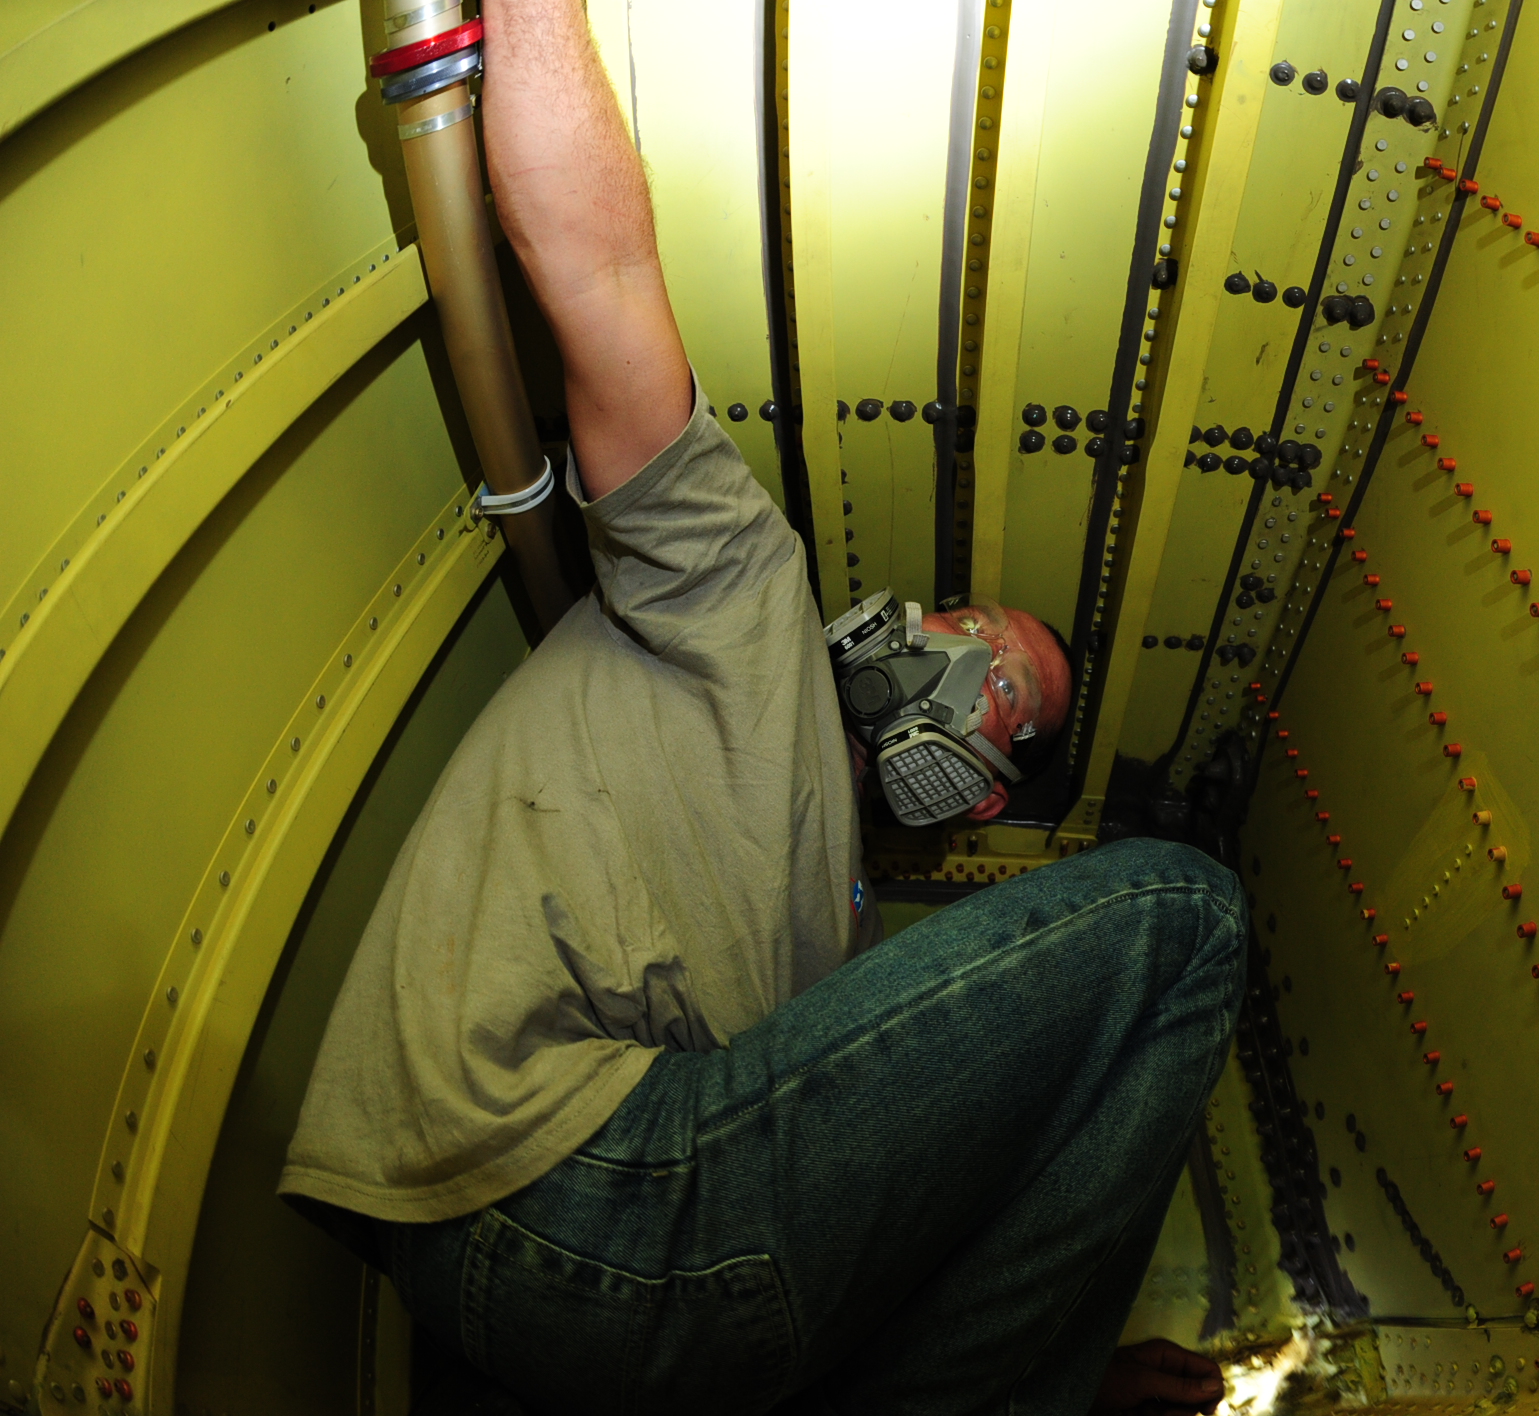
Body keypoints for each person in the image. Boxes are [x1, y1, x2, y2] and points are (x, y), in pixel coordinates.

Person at [278, 4, 1244, 1413]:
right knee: (1186, 924)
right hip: (552, 1160)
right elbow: (599, 273)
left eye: (1004, 675)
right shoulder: (749, 603)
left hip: (600, 1258)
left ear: (978, 786)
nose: (951, 639)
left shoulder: (827, 957)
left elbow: (851, 1242)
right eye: (962, 617)